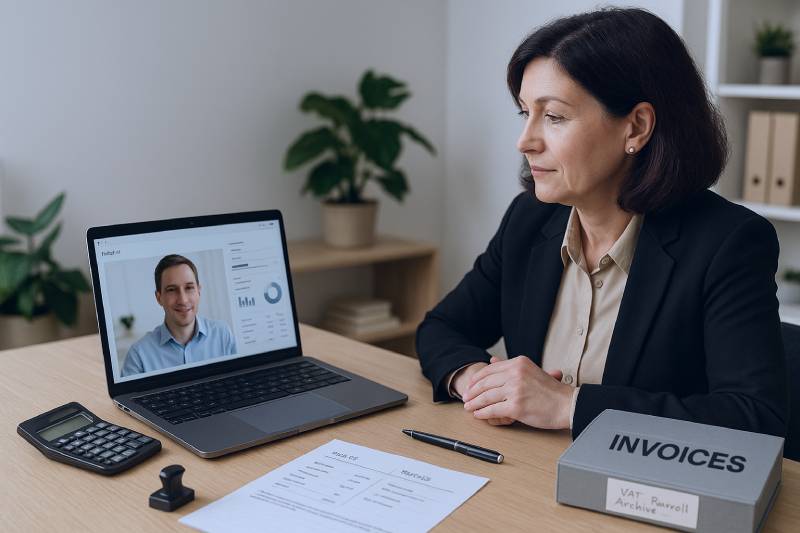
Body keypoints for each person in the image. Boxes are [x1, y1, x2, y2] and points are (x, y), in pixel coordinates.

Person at [416, 8, 788, 439]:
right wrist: (475, 382)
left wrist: (567, 405)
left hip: (643, 491)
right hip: (524, 474)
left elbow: (754, 417)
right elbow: (442, 327)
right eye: (525, 114)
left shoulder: (728, 243)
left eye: (553, 116)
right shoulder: (529, 219)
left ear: (637, 127)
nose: (525, 141)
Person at [122, 254, 237, 376]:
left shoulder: (222, 334)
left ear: (198, 291)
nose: (183, 300)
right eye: (171, 289)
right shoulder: (138, 355)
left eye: (189, 288)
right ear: (159, 297)